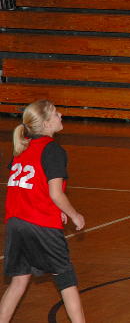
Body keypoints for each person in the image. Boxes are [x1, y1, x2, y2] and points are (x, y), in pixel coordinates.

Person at [0, 100, 86, 323]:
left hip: (16, 222)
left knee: (19, 281)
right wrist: (74, 215)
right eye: (56, 113)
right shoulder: (52, 149)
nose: (61, 115)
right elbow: (55, 193)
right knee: (66, 280)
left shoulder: (22, 148)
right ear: (47, 124)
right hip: (40, 223)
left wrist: (56, 208)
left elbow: (27, 187)